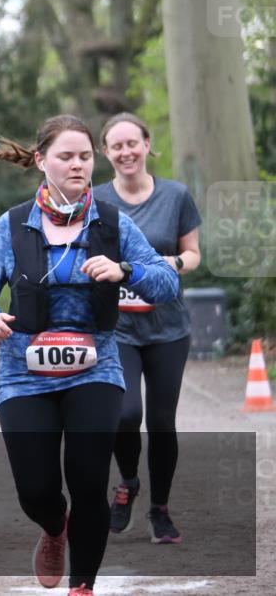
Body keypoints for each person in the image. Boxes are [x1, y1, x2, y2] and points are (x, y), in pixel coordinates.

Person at [0, 115, 179, 596]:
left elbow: (167, 281)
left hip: (96, 367)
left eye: (85, 156)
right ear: (40, 161)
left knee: (89, 482)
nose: (77, 165)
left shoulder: (112, 223)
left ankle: (82, 587)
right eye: (66, 156)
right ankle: (53, 529)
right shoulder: (11, 225)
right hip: (23, 372)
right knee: (37, 490)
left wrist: (124, 268)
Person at [93, 112, 201, 544]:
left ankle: (160, 509)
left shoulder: (176, 195)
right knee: (124, 413)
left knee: (160, 422)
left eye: (132, 143)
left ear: (147, 144)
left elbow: (192, 254)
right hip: (117, 327)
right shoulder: (96, 200)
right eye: (116, 146)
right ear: (106, 153)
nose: (125, 152)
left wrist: (168, 264)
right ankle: (128, 482)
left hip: (168, 327)